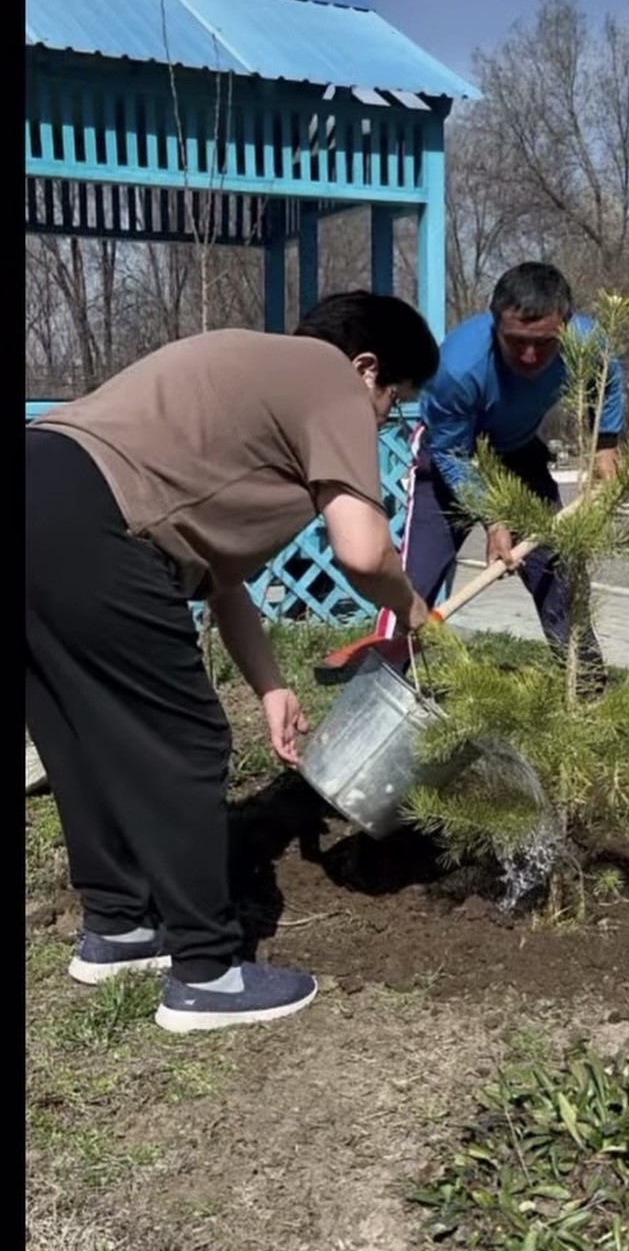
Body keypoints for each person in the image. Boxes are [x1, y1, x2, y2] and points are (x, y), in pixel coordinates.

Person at [26, 292, 437, 1034]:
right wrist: (416, 612)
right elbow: (363, 551)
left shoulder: (256, 379)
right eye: (393, 401)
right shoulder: (330, 378)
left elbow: (219, 578)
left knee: (77, 728)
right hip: (95, 516)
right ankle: (207, 973)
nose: (382, 420)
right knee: (187, 740)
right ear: (366, 367)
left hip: (40, 480)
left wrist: (271, 686)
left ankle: (118, 926)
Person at [374, 263, 624, 689]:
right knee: (414, 580)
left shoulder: (587, 344)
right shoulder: (455, 368)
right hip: (448, 458)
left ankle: (585, 687)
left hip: (518, 454)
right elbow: (452, 453)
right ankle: (378, 681)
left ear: (565, 327)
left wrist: (605, 445)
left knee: (557, 572)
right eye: (516, 341)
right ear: (495, 326)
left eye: (543, 344)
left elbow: (609, 378)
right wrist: (493, 519)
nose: (529, 356)